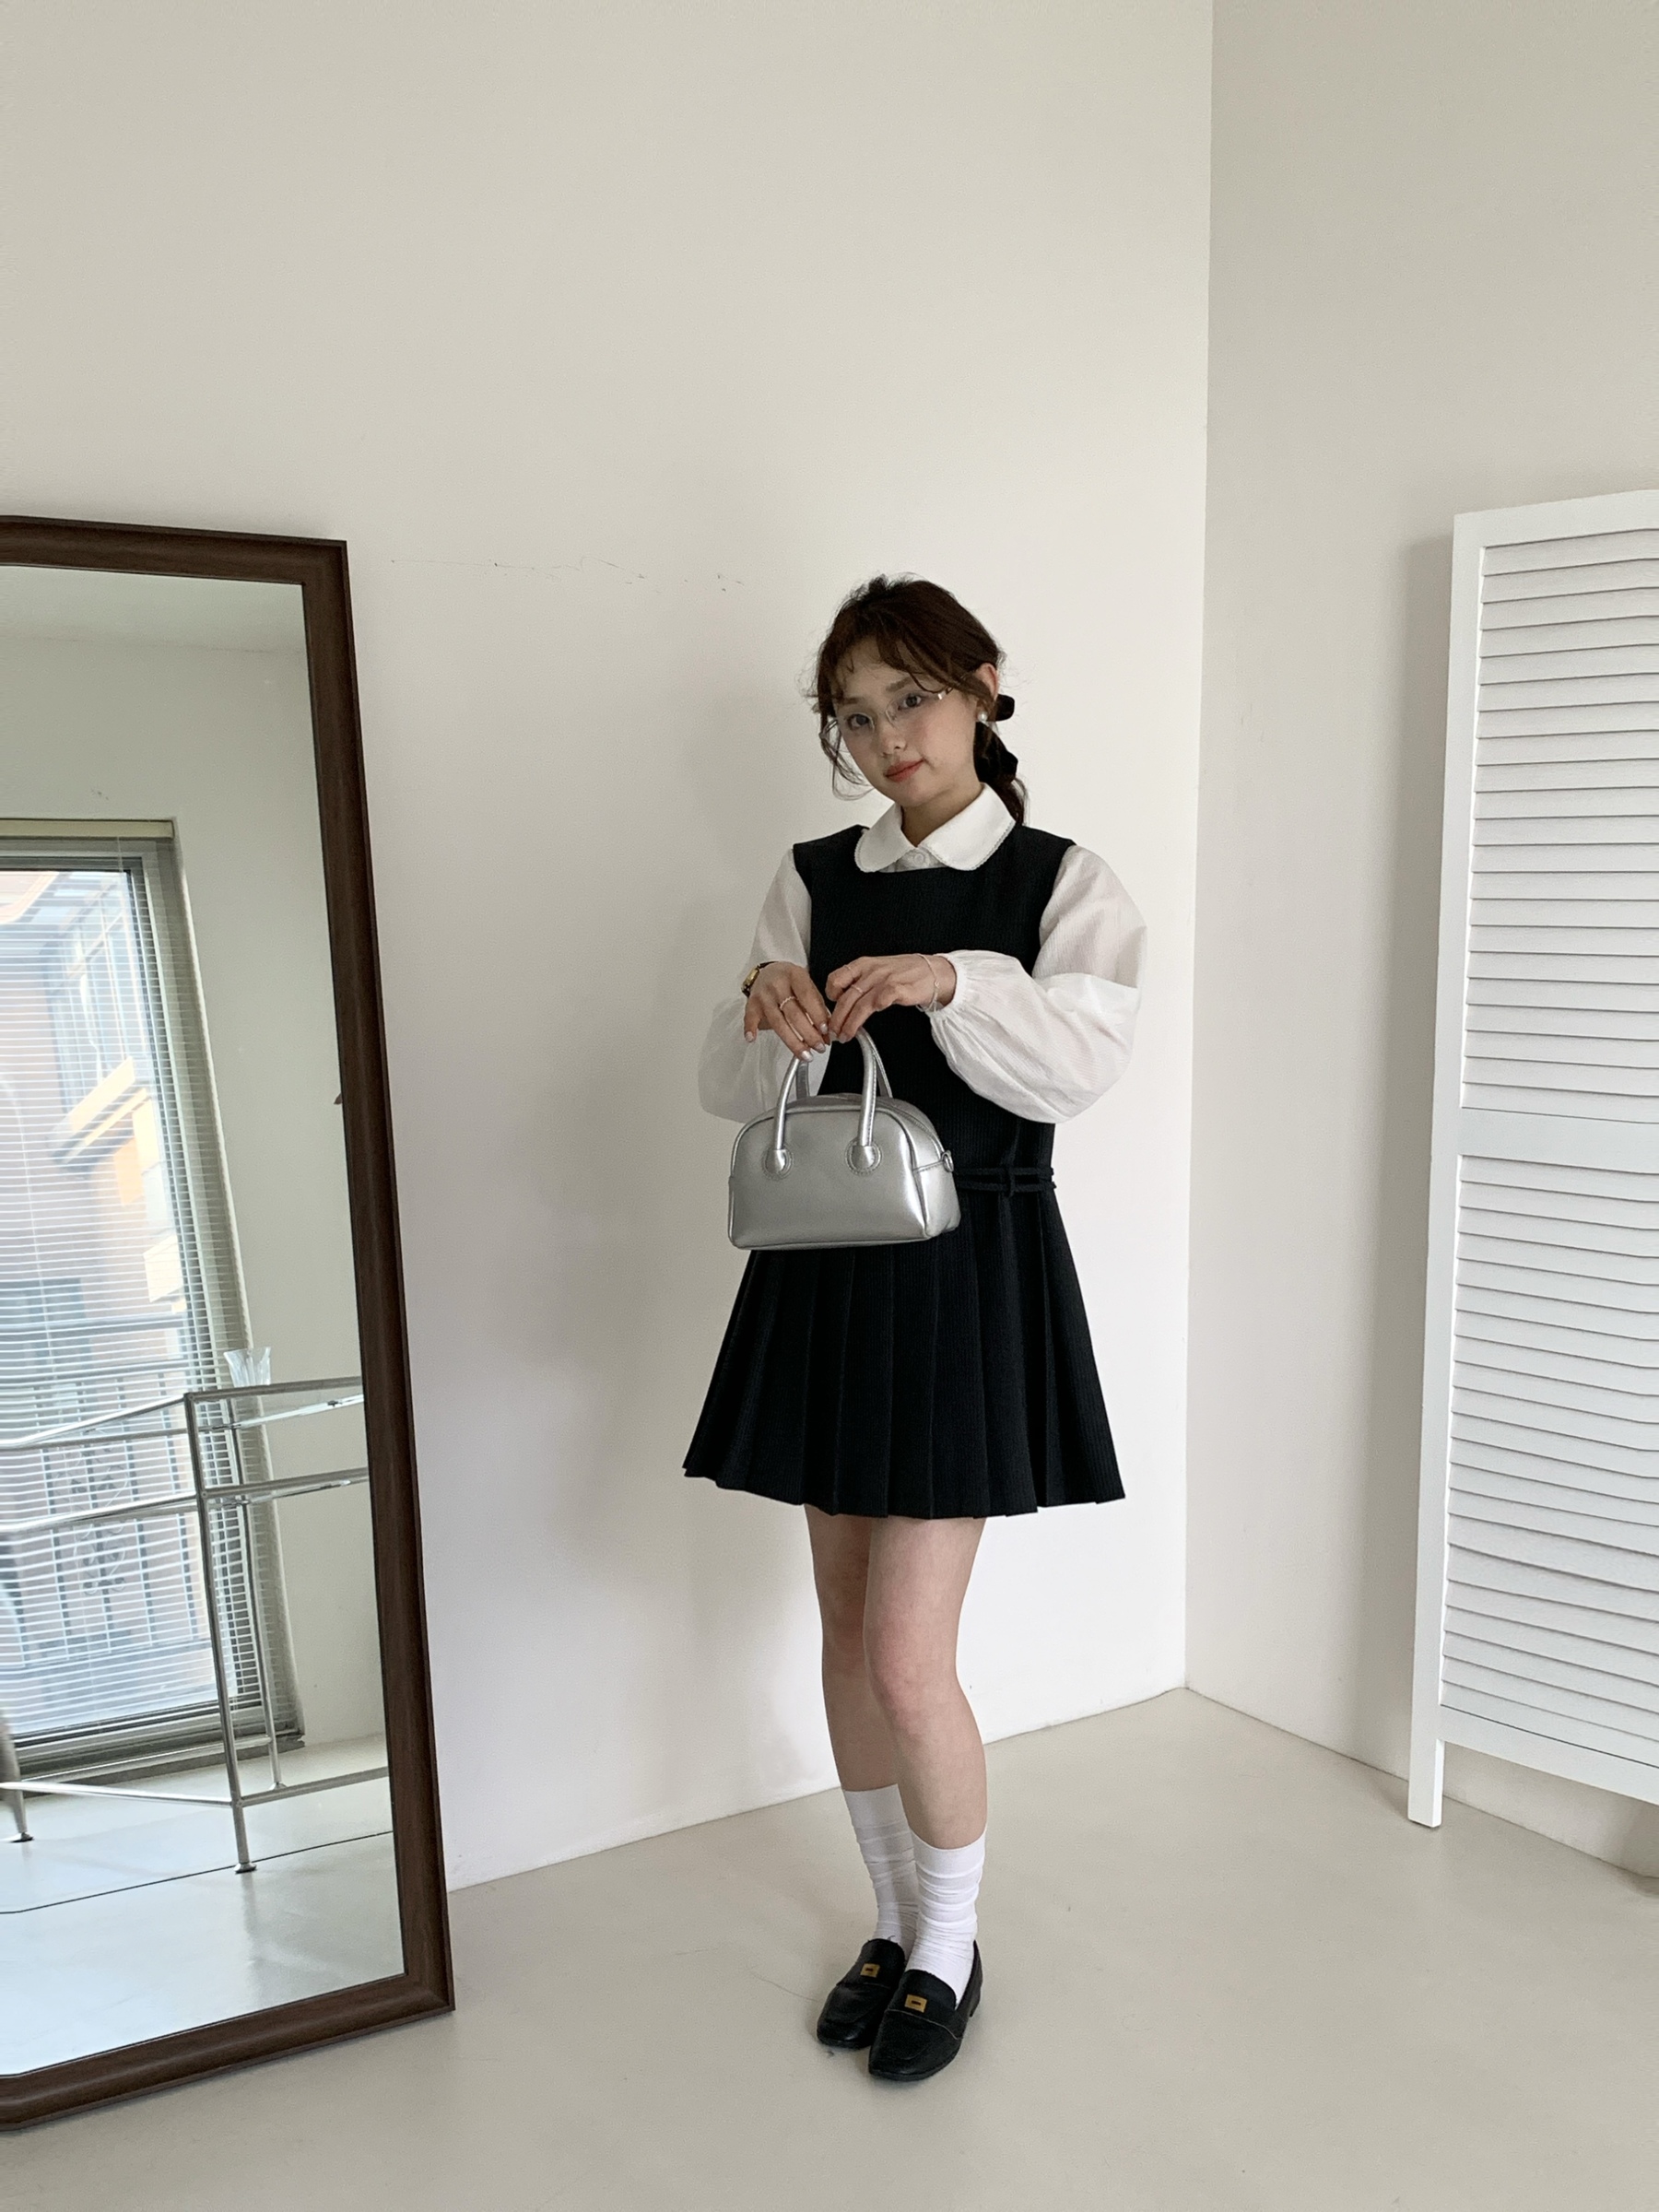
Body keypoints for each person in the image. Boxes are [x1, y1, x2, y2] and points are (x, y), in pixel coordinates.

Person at [687, 575, 1145, 2082]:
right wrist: (766, 1007)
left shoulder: (1063, 884)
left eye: (914, 697)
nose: (889, 737)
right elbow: (729, 1094)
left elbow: (1076, 1071)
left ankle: (952, 1942)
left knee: (903, 1655)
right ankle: (893, 1924)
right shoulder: (813, 875)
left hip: (969, 1277)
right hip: (829, 1267)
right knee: (841, 1635)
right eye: (857, 715)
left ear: (984, 685)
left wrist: (953, 979)